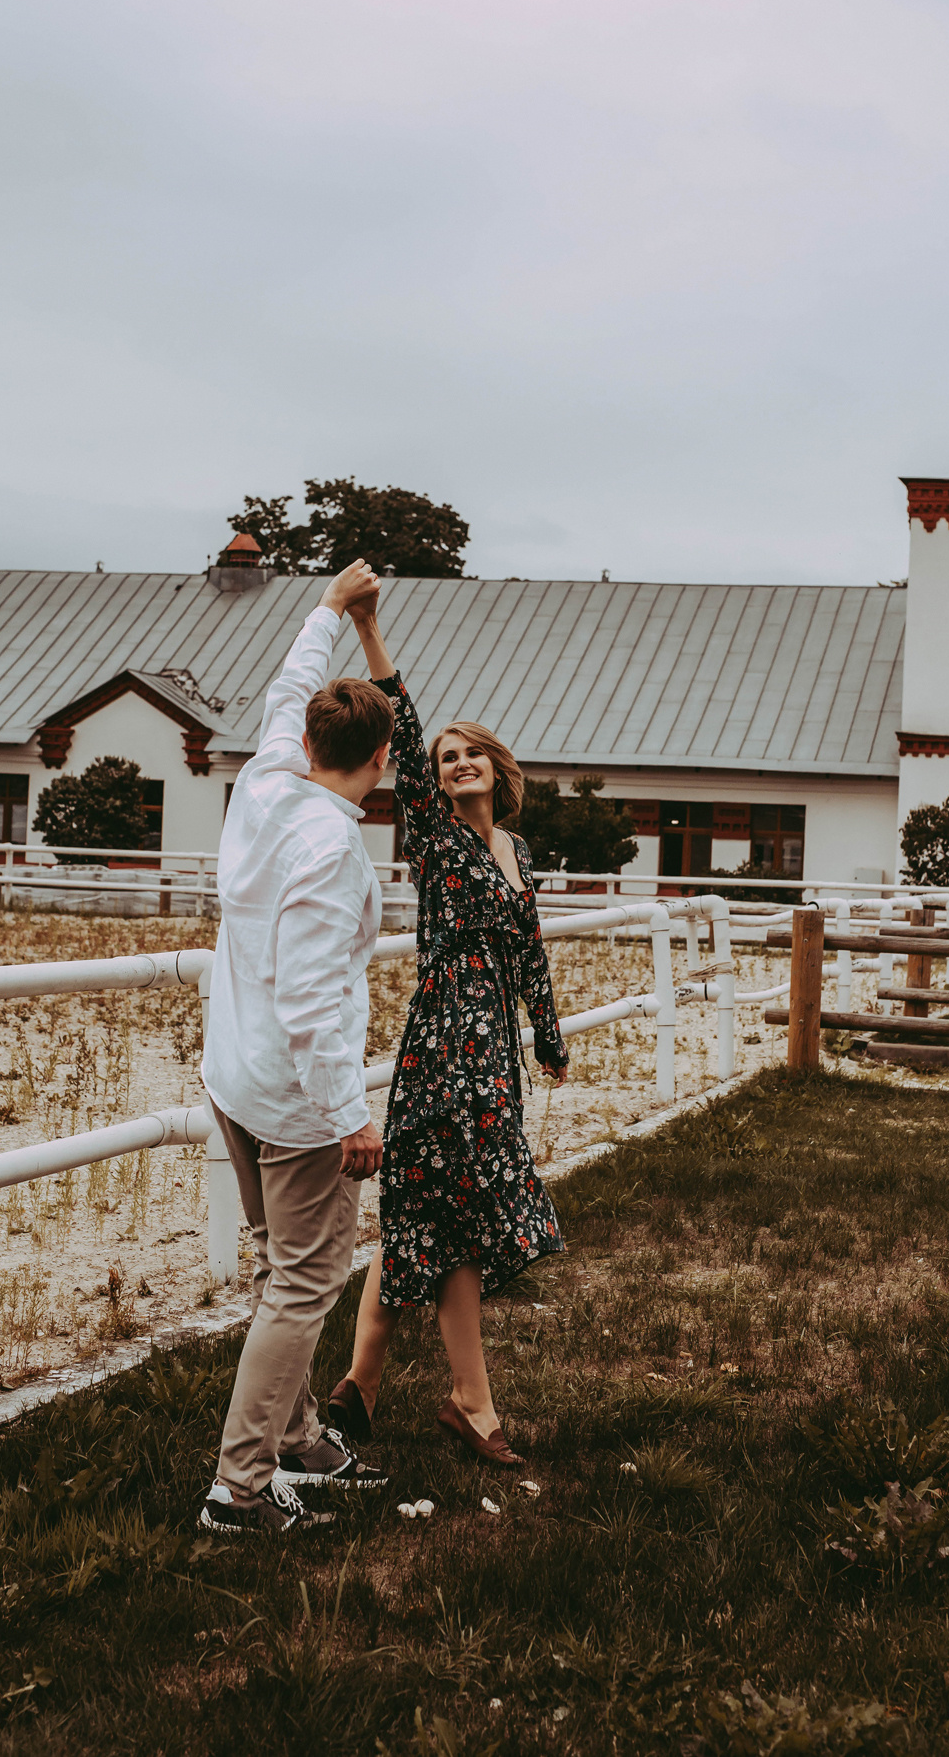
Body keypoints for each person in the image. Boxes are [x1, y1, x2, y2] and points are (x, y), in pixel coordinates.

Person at [328, 587, 568, 1468]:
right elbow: (406, 714)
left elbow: (528, 952)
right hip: (442, 1045)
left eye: (471, 755)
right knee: (454, 1213)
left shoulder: (516, 853)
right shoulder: (433, 838)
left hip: (493, 1047)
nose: (456, 762)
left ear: (498, 770)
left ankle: (363, 1380)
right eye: (443, 756)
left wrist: (547, 1034)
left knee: (427, 1212)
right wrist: (366, 627)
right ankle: (472, 1403)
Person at [198, 560, 394, 1537]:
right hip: (292, 1098)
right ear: (381, 757)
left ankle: (301, 1437)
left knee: (281, 1273)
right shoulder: (332, 848)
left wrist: (327, 610)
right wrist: (349, 1114)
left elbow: (283, 689)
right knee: (306, 1285)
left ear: (312, 738)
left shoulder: (266, 782)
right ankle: (238, 1491)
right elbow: (314, 998)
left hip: (234, 1077)